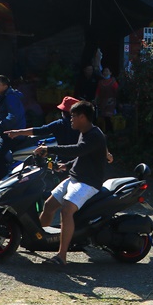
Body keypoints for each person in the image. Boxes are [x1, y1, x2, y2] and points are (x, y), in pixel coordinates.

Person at [33, 101, 109, 265]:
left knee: (66, 210)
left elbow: (78, 149)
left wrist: (49, 149)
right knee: (49, 205)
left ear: (82, 117)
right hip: (75, 178)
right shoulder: (85, 131)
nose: (70, 120)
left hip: (89, 183)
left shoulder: (95, 135)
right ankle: (38, 241)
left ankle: (62, 256)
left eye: (73, 116)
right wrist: (67, 165)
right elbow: (83, 154)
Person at [0, 75, 27, 182]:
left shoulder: (10, 97)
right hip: (8, 132)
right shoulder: (5, 96)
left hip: (12, 134)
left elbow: (13, 117)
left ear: (5, 86)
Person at [6, 96, 81, 147]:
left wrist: (17, 132)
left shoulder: (59, 124)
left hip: (62, 159)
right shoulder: (82, 124)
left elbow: (40, 130)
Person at [95, 67, 120, 132]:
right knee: (103, 117)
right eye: (104, 71)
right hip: (102, 101)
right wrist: (96, 99)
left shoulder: (113, 82)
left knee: (108, 116)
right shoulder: (100, 82)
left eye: (107, 71)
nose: (105, 73)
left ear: (110, 73)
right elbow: (98, 91)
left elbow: (117, 92)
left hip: (111, 101)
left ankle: (110, 131)